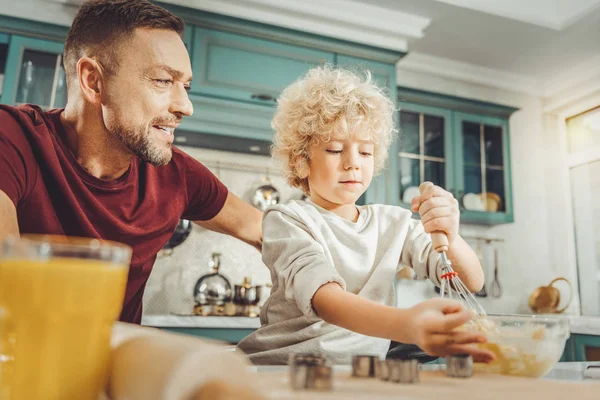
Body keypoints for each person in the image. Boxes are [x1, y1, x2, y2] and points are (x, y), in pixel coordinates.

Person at [0, 0, 262, 324]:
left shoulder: (176, 175)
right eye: (163, 81)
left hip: (112, 372)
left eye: (186, 86)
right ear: (93, 81)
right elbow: (7, 293)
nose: (186, 106)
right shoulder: (13, 139)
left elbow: (264, 230)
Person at [237, 66, 495, 365]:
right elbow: (325, 299)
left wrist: (450, 234)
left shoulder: (393, 224)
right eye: (335, 150)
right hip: (282, 369)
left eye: (366, 152)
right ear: (301, 162)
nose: (352, 164)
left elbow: (472, 281)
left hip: (356, 372)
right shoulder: (286, 219)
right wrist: (405, 324)